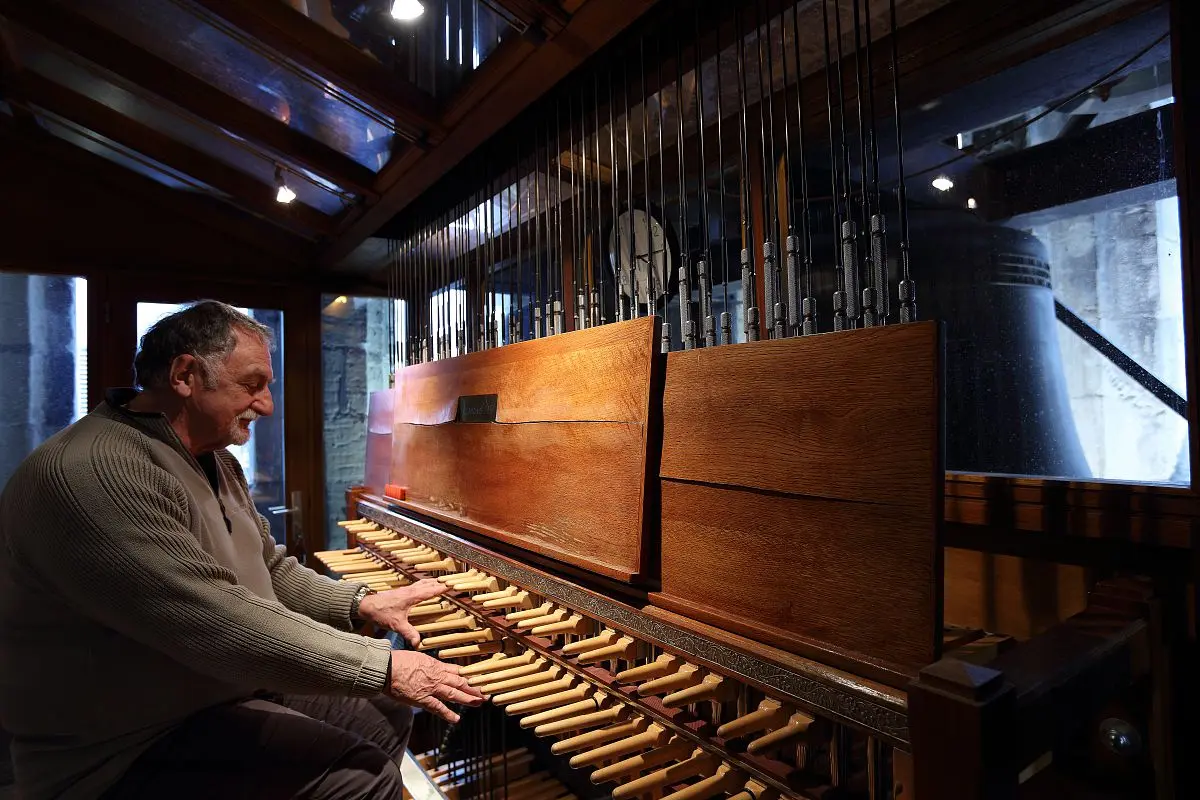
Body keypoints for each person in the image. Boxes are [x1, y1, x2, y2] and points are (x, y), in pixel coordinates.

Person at [0, 300, 485, 799]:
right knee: (356, 776)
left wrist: (359, 603)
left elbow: (268, 569)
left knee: (382, 717)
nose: (268, 404)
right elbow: (210, 617)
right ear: (186, 374)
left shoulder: (213, 460)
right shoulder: (93, 472)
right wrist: (381, 665)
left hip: (208, 691)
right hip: (120, 747)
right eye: (253, 384)